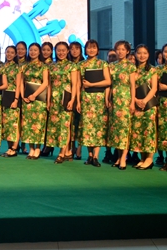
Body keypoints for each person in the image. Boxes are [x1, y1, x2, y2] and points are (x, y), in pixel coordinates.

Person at [78, 39, 111, 167]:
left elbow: (108, 81)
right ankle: (90, 155)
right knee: (87, 128)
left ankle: (96, 156)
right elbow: (79, 84)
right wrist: (78, 101)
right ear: (85, 50)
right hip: (86, 99)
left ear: (97, 50)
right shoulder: (81, 65)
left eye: (93, 47)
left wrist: (92, 84)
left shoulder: (103, 64)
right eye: (89, 47)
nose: (91, 50)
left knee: (98, 128)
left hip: (99, 100)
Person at [106, 40, 136, 170]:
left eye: (123, 49)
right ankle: (118, 156)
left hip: (125, 100)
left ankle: (124, 157)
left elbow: (133, 86)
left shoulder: (131, 66)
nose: (120, 52)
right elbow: (109, 84)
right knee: (116, 129)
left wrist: (132, 102)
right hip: (114, 100)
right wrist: (107, 99)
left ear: (127, 51)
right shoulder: (111, 66)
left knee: (124, 128)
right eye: (118, 49)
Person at [46, 41, 77, 163]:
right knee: (55, 126)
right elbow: (49, 85)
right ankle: (65, 152)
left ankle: (62, 153)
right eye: (58, 50)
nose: (61, 53)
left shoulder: (72, 66)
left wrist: (72, 100)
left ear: (67, 51)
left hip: (66, 98)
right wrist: (48, 100)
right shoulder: (51, 66)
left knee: (65, 125)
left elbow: (74, 84)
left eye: (63, 50)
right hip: (54, 99)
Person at [130, 44, 158, 170]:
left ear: (149, 55)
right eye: (139, 53)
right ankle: (142, 158)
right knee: (138, 131)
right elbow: (130, 87)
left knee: (149, 131)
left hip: (149, 105)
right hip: (136, 104)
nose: (142, 56)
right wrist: (136, 100)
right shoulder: (132, 69)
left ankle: (149, 159)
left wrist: (145, 101)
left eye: (145, 53)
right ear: (135, 54)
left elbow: (154, 88)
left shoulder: (152, 70)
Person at [20, 43, 49, 160]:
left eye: (35, 50)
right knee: (28, 124)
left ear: (39, 52)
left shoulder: (44, 66)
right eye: (31, 50)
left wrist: (34, 95)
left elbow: (45, 82)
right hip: (27, 99)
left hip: (39, 99)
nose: (33, 52)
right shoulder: (24, 66)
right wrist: (23, 96)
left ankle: (37, 148)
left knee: (38, 124)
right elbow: (21, 82)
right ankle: (31, 148)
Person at [0, 45, 21, 157]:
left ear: (15, 54)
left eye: (12, 52)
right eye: (7, 52)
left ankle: (14, 148)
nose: (9, 54)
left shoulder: (17, 68)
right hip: (4, 96)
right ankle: (9, 147)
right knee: (7, 124)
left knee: (14, 124)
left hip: (13, 95)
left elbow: (18, 85)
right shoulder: (2, 67)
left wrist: (16, 99)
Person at [157, 44, 167, 171]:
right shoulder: (158, 69)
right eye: (165, 51)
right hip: (162, 104)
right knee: (163, 132)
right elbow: (156, 86)